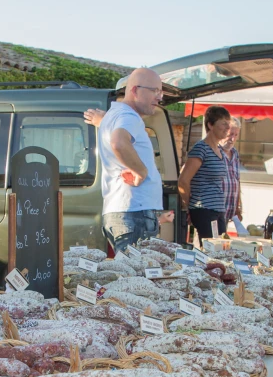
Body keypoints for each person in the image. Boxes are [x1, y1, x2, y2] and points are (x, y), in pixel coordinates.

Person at [87, 72, 171, 253]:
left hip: (125, 212)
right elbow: (118, 141)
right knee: (138, 277)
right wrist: (141, 171)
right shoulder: (129, 117)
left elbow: (116, 135)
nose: (159, 97)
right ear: (135, 90)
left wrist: (103, 120)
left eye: (160, 92)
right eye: (154, 91)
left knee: (130, 275)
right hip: (134, 213)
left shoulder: (117, 115)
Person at [179, 105, 232, 240]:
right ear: (210, 125)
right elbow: (183, 180)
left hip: (218, 209)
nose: (228, 128)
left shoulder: (220, 151)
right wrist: (189, 206)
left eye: (229, 124)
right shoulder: (200, 149)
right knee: (211, 251)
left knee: (221, 250)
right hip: (204, 208)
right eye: (224, 123)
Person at [221, 118, 243, 224]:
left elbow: (237, 181)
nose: (232, 139)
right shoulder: (212, 151)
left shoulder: (235, 154)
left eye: (236, 135)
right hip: (212, 212)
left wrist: (238, 208)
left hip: (228, 212)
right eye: (230, 134)